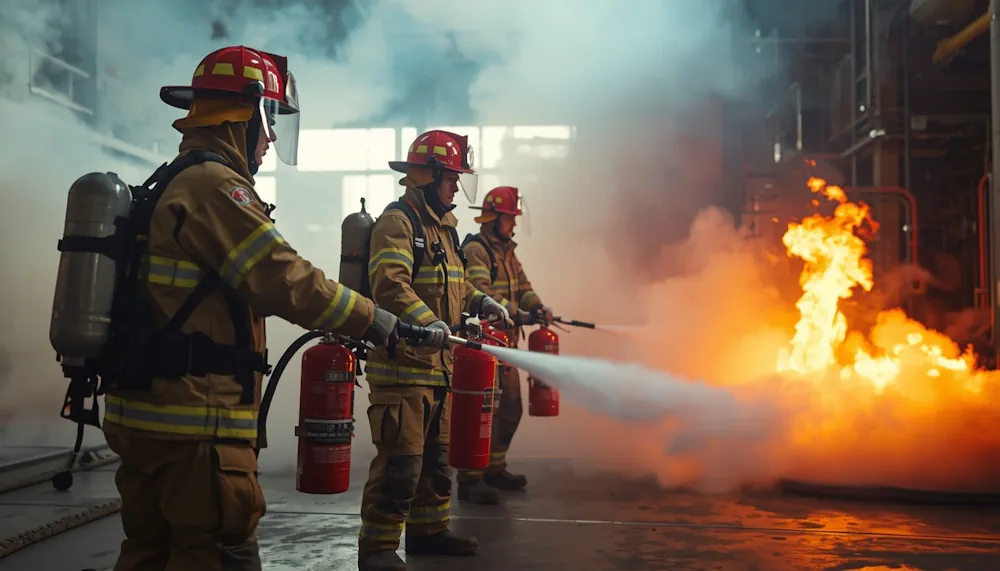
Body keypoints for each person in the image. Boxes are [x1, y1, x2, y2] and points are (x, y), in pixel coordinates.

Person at [102, 45, 400, 571]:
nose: (273, 138)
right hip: (197, 422)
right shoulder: (215, 187)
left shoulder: (176, 177)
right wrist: (370, 318)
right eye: (271, 121)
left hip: (150, 417)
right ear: (250, 112)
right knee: (217, 553)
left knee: (150, 554)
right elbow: (284, 277)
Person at [358, 130, 512, 571]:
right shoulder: (399, 222)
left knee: (436, 463)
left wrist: (480, 302)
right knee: (400, 465)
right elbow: (390, 284)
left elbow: (455, 289)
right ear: (428, 177)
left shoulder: (444, 229)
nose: (456, 190)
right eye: (451, 180)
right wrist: (428, 323)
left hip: (440, 369)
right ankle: (379, 549)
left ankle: (428, 532)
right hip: (403, 369)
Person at [456, 186, 552, 505]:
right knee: (482, 411)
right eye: (509, 219)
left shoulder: (507, 252)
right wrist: (517, 313)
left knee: (509, 409)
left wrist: (537, 307)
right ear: (494, 218)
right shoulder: (478, 250)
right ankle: (470, 479)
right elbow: (480, 291)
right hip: (484, 345)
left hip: (505, 344)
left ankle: (494, 469)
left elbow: (524, 287)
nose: (512, 225)